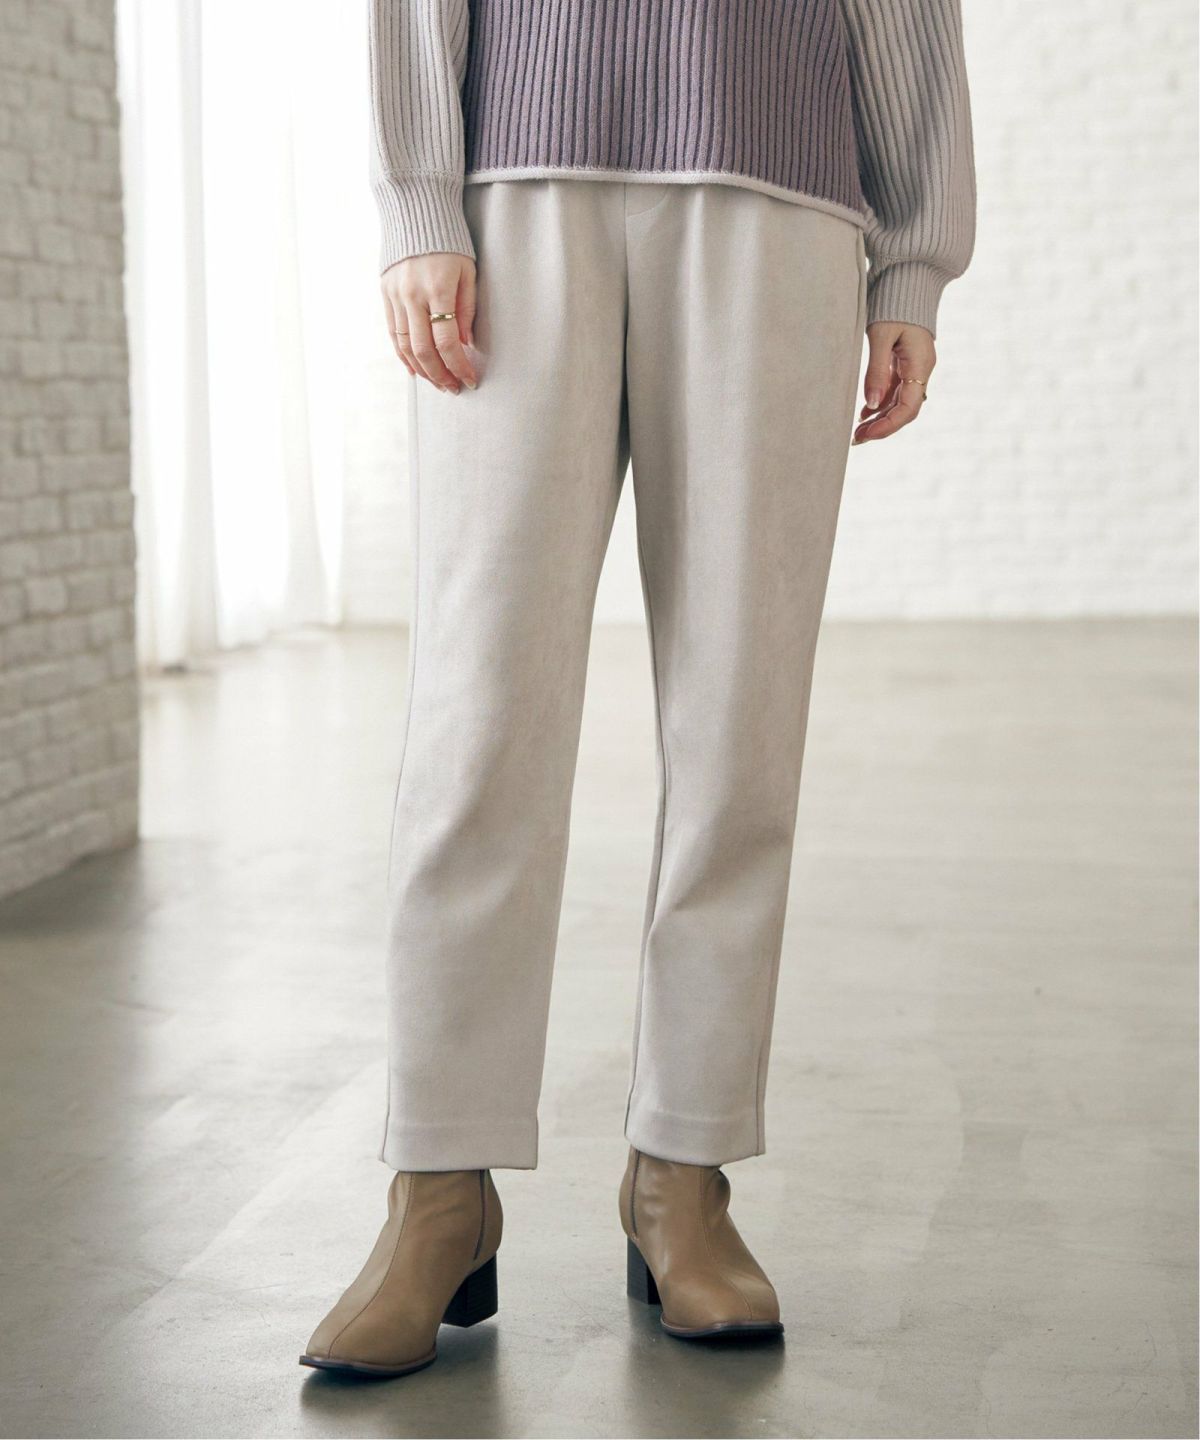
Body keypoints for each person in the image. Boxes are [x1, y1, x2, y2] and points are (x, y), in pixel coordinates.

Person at [301, 0, 976, 1377]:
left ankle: (684, 1172)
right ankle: (439, 1187)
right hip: (516, 188)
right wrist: (419, 196)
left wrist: (913, 256)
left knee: (740, 721)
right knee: (478, 719)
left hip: (781, 190)